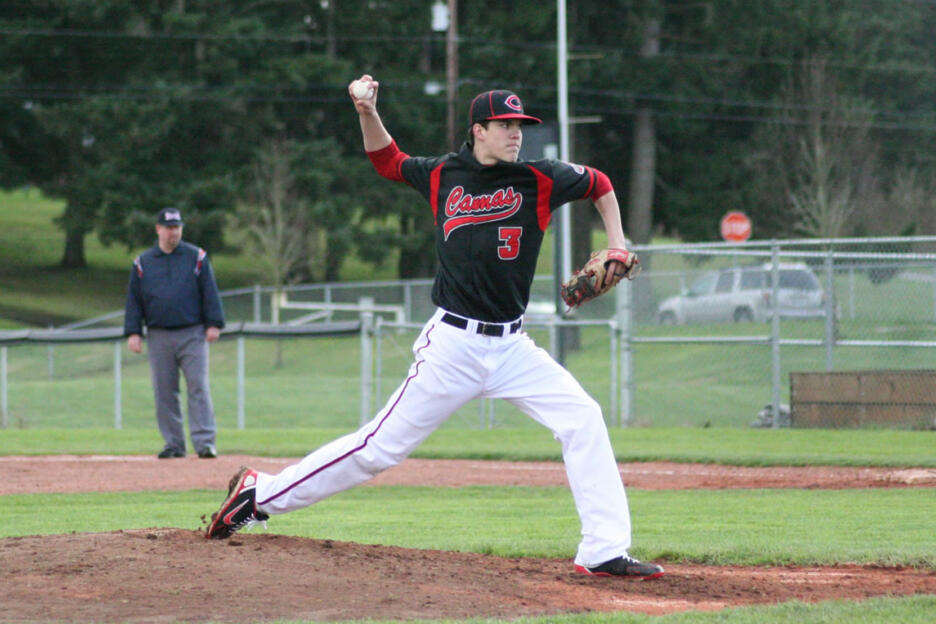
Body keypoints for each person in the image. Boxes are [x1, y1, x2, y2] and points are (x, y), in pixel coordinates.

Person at [205, 77, 663, 579]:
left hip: (513, 347)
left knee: (583, 418)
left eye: (521, 125)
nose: (516, 133)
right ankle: (259, 494)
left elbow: (599, 183)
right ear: (478, 130)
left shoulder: (541, 177)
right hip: (453, 346)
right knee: (378, 449)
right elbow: (387, 161)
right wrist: (366, 111)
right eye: (506, 125)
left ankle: (602, 549)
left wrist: (617, 241)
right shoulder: (444, 173)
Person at [125, 207, 227, 459]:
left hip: (192, 333)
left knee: (197, 386)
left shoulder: (197, 257)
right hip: (159, 334)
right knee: (164, 389)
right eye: (169, 228)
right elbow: (134, 300)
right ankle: (174, 444)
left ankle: (204, 443)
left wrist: (214, 323)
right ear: (158, 229)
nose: (174, 233)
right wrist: (133, 331)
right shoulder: (144, 262)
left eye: (177, 228)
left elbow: (209, 291)